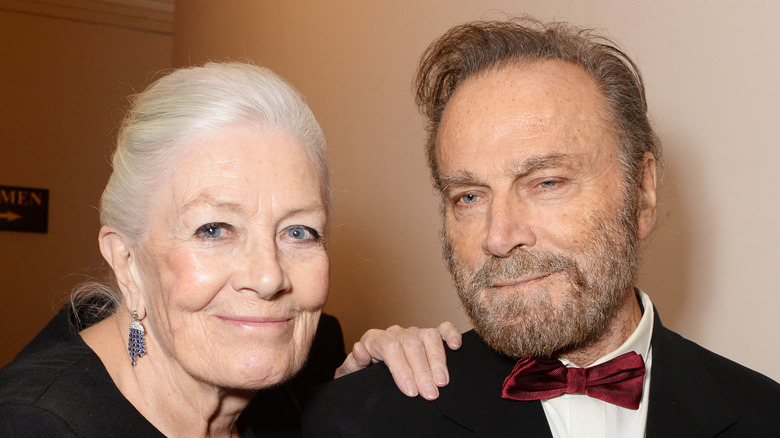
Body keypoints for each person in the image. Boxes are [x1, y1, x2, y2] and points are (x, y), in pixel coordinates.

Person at [301, 17, 780, 437]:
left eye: (546, 182)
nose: (499, 235)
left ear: (643, 194)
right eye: (468, 196)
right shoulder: (361, 420)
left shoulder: (766, 415)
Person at [0, 63, 461, 437]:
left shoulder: (273, 401)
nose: (268, 277)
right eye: (214, 229)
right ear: (126, 261)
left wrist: (360, 402)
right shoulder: (35, 423)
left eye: (298, 232)